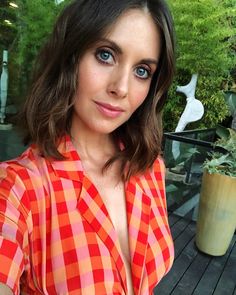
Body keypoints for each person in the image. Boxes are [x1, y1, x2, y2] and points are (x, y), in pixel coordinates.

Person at [0, 0, 175, 294]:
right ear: (71, 55)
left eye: (142, 71)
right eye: (105, 55)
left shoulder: (150, 168)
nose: (121, 87)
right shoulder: (19, 190)